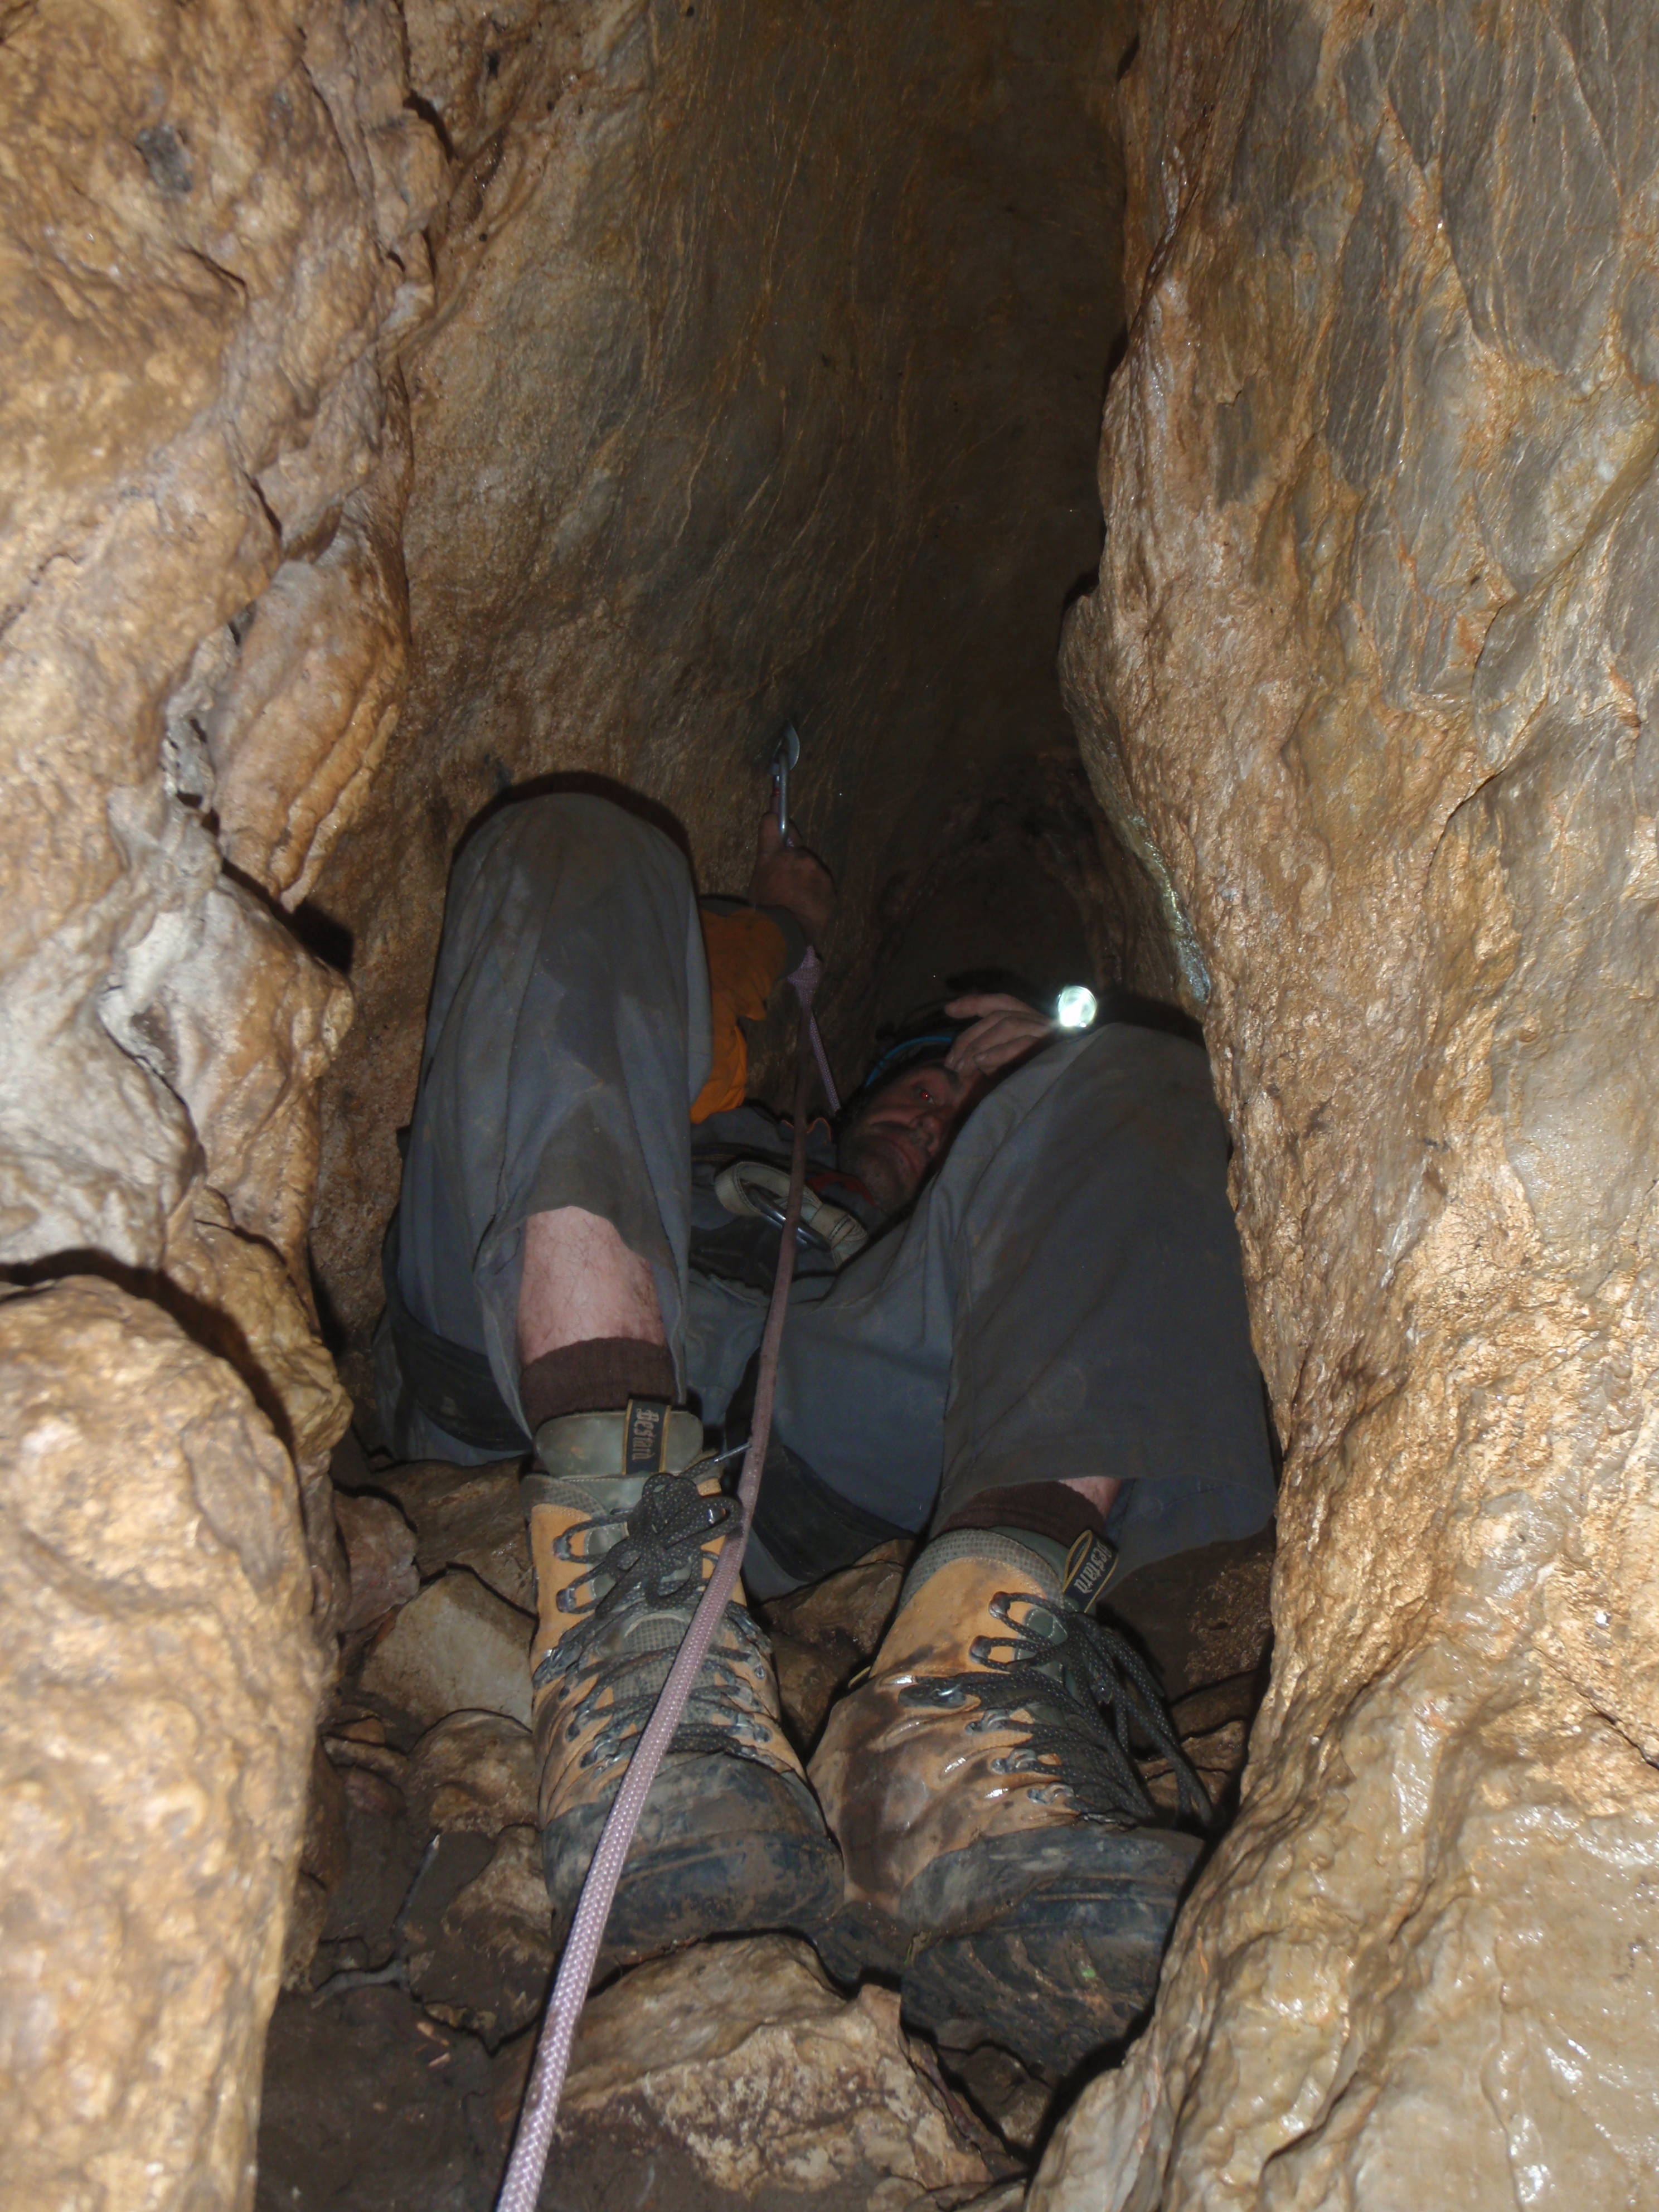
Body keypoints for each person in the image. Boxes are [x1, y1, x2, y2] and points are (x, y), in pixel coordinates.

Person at [374, 787, 1274, 2070]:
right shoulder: (718, 1131)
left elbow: (1103, 1211)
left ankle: (961, 1711)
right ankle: (630, 1599)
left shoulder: (906, 1273)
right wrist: (780, 933)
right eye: (916, 1085)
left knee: (1152, 1080)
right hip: (526, 1328)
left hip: (824, 1421)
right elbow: (612, 989)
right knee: (577, 847)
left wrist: (1055, 1083)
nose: (932, 1109)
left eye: (964, 1115)